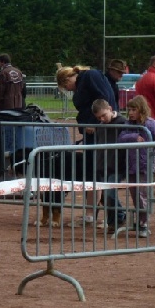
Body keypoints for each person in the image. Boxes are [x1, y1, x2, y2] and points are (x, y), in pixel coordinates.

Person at [56, 64, 117, 222]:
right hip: (91, 133)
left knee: (99, 174)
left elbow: (104, 99)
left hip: (101, 132)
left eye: (65, 86)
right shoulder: (84, 81)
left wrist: (94, 122)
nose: (68, 89)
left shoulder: (90, 76)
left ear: (67, 79)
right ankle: (92, 214)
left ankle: (116, 214)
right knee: (92, 173)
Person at [118, 95, 155, 238]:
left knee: (142, 195)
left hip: (145, 165)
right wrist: (134, 137)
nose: (130, 113)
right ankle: (140, 221)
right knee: (135, 195)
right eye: (129, 110)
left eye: (134, 109)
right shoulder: (128, 124)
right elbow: (120, 138)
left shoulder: (151, 124)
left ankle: (143, 223)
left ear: (141, 109)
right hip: (131, 165)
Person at [90, 99, 128, 233]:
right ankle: (115, 220)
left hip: (118, 165)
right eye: (98, 117)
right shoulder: (100, 126)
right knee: (106, 196)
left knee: (109, 193)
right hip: (103, 165)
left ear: (110, 109)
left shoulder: (123, 123)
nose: (102, 119)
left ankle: (118, 218)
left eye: (103, 115)